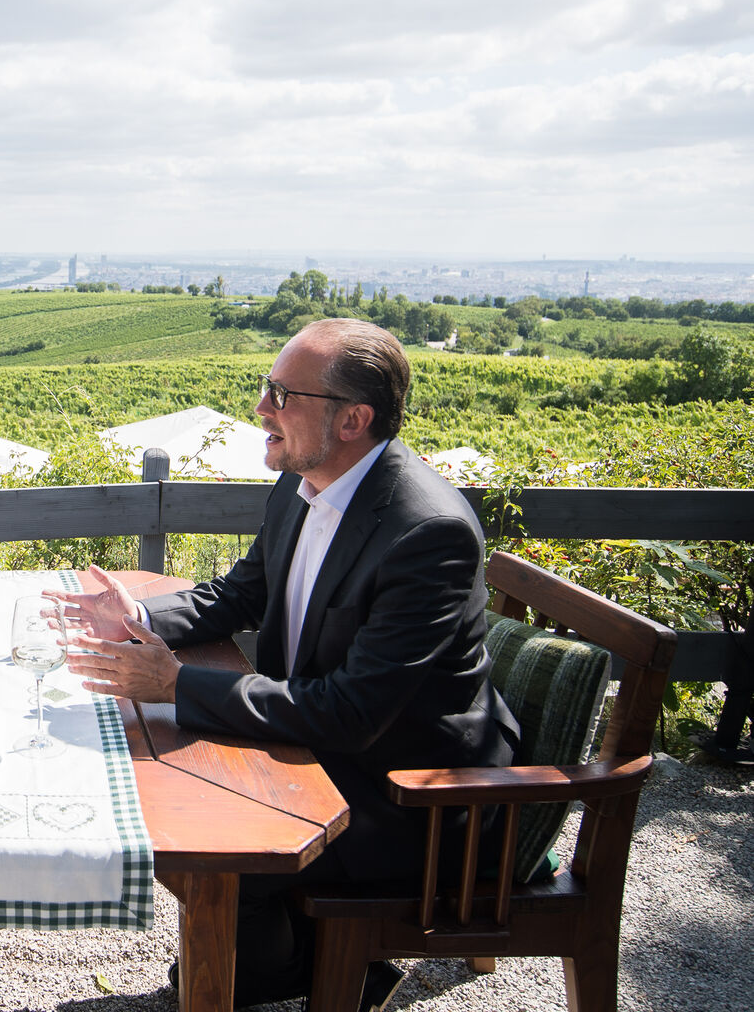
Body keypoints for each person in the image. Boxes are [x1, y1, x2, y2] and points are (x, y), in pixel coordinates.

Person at [60, 318, 519, 1011]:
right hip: (330, 741)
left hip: (408, 794)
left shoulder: (428, 534)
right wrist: (141, 619)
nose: (261, 408)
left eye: (282, 393)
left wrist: (176, 683)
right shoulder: (304, 479)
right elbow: (243, 592)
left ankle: (300, 974)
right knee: (161, 787)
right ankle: (288, 964)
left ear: (352, 420)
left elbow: (352, 713)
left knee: (205, 834)